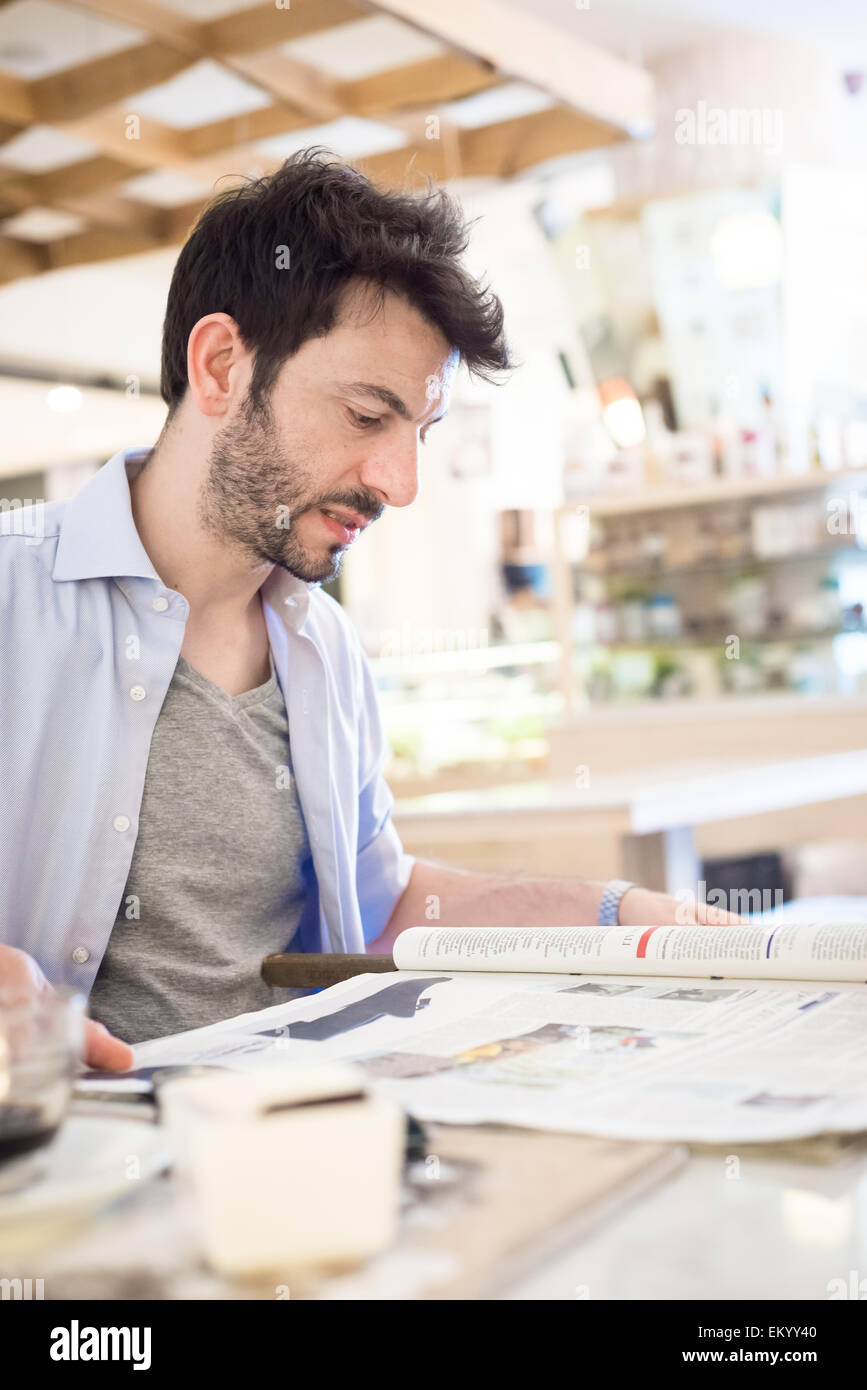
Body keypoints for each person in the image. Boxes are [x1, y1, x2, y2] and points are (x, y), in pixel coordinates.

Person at [0, 151, 740, 1069]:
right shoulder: (12, 596)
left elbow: (381, 904)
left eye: (417, 433)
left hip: (292, 1143)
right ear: (222, 365)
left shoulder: (324, 650)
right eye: (364, 416)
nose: (401, 483)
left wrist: (620, 913)